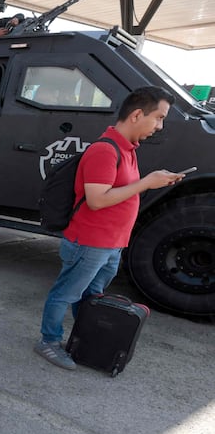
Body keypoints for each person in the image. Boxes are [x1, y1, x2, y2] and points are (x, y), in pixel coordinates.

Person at [35, 86, 183, 370]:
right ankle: (48, 341)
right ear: (138, 114)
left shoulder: (129, 150)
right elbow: (97, 199)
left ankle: (83, 340)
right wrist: (146, 182)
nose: (160, 126)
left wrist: (154, 182)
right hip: (90, 242)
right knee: (66, 293)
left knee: (91, 297)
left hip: (111, 244)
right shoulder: (105, 150)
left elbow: (121, 194)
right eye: (159, 118)